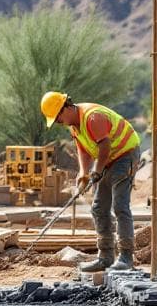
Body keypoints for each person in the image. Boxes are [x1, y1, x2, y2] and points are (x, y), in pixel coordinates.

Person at [40, 91, 141, 272]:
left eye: (57, 118)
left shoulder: (93, 117)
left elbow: (105, 145)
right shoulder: (74, 126)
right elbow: (84, 149)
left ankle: (126, 257)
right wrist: (84, 172)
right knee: (99, 208)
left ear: (67, 107)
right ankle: (105, 258)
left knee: (120, 206)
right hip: (108, 159)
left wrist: (97, 170)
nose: (58, 122)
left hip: (125, 154)